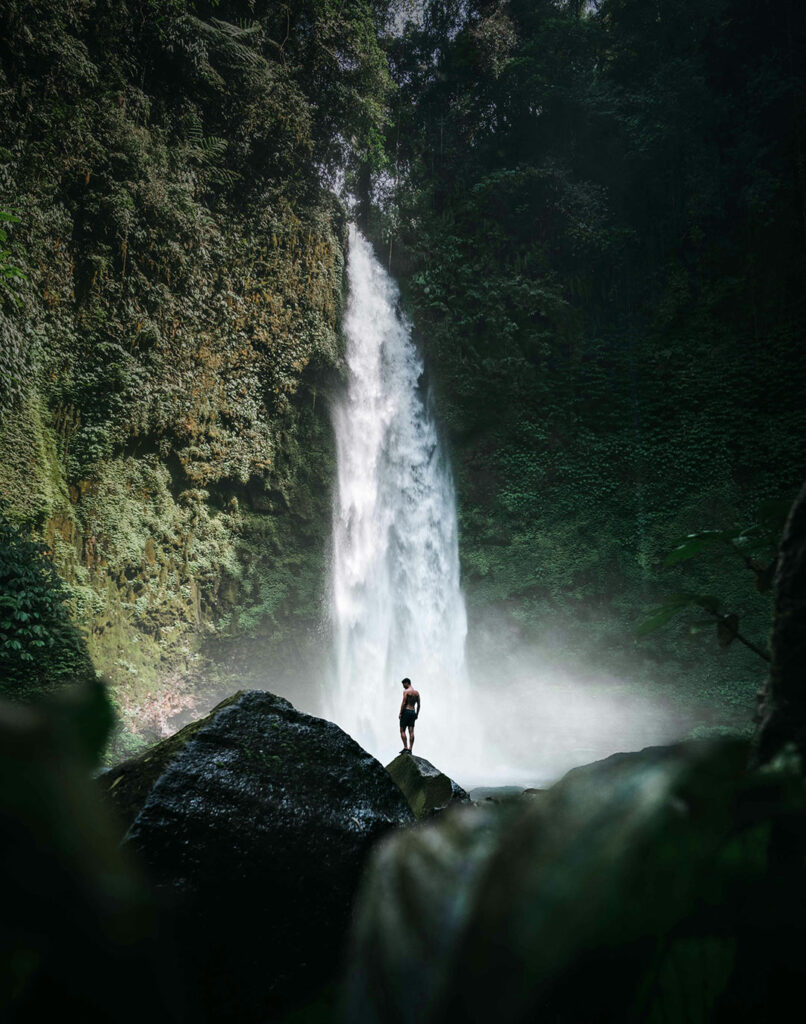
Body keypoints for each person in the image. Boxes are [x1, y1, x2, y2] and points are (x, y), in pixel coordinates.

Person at [398, 677, 420, 754]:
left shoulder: (406, 692)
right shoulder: (416, 693)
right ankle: (410, 749)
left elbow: (403, 703)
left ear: (407, 683)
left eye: (403, 684)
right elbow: (419, 705)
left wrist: (400, 713)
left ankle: (405, 747)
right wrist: (416, 714)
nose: (403, 686)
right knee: (411, 731)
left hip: (406, 711)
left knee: (402, 730)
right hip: (413, 712)